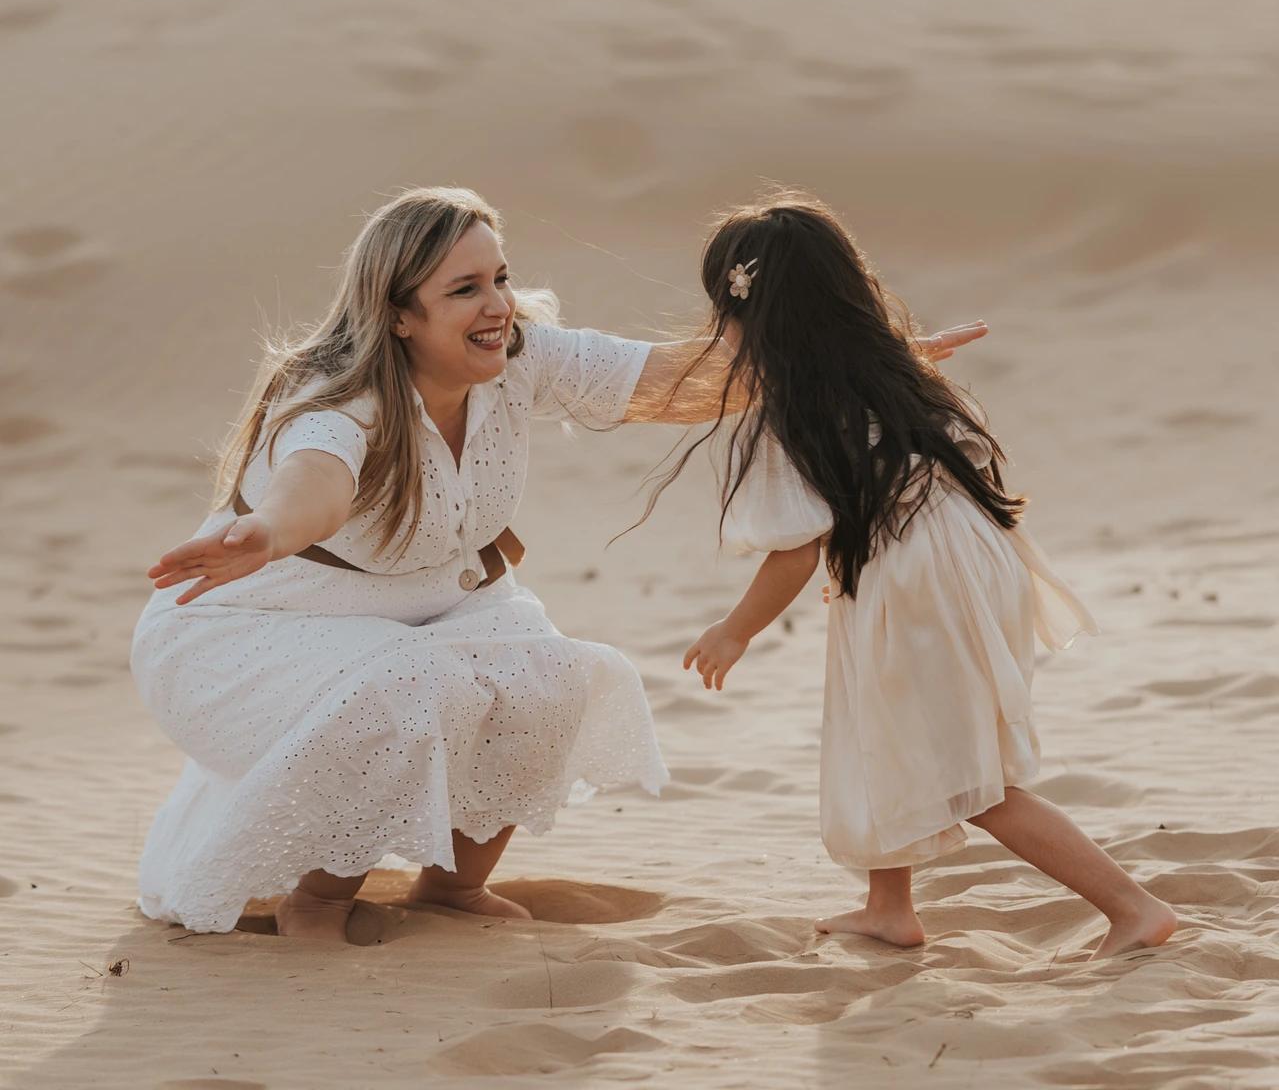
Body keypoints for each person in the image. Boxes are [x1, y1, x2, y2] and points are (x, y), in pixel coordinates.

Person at [134, 185, 983, 943]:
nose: (496, 304)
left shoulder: (520, 358)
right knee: (412, 687)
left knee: (553, 680)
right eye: (464, 289)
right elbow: (315, 482)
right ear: (398, 315)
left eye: (498, 277)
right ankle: (316, 903)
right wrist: (268, 531)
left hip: (438, 612)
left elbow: (672, 382)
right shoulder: (333, 396)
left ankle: (451, 888)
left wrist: (869, 361)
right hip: (256, 633)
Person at [681, 191, 1177, 958]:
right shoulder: (890, 369)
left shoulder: (793, 405)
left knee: (965, 777)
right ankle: (888, 907)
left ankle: (1132, 908)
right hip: (960, 557)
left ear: (747, 312)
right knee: (880, 729)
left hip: (917, 581)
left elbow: (794, 551)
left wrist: (733, 630)